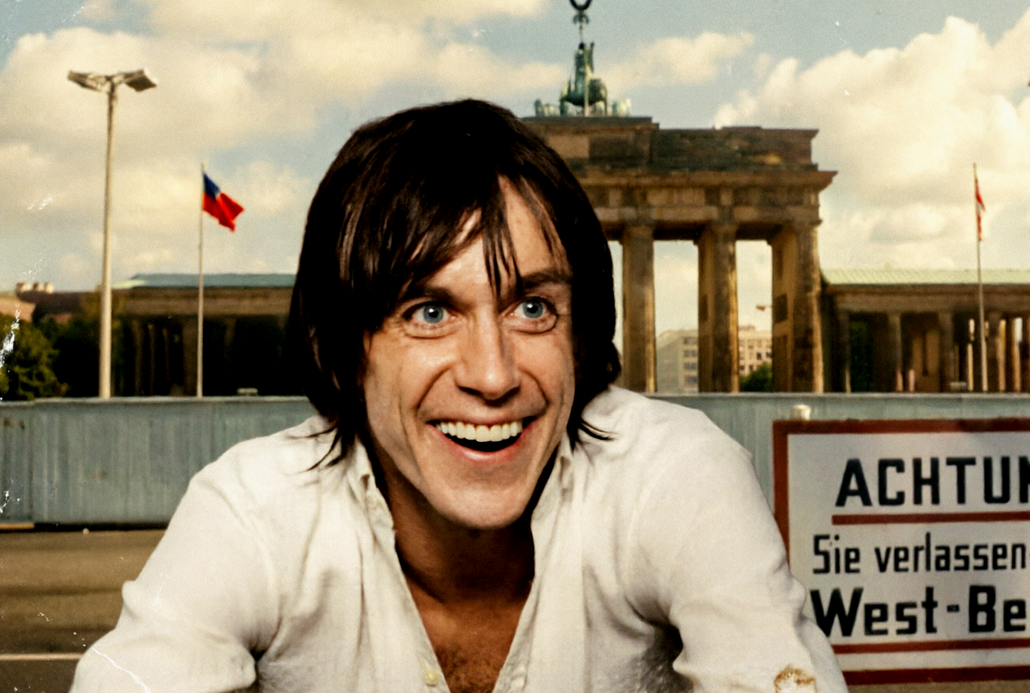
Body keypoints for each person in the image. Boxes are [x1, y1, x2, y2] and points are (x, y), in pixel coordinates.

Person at [71, 99, 847, 693]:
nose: (493, 373)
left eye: (532, 307)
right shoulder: (255, 507)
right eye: (429, 311)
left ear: (580, 334)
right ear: (344, 347)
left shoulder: (675, 474)